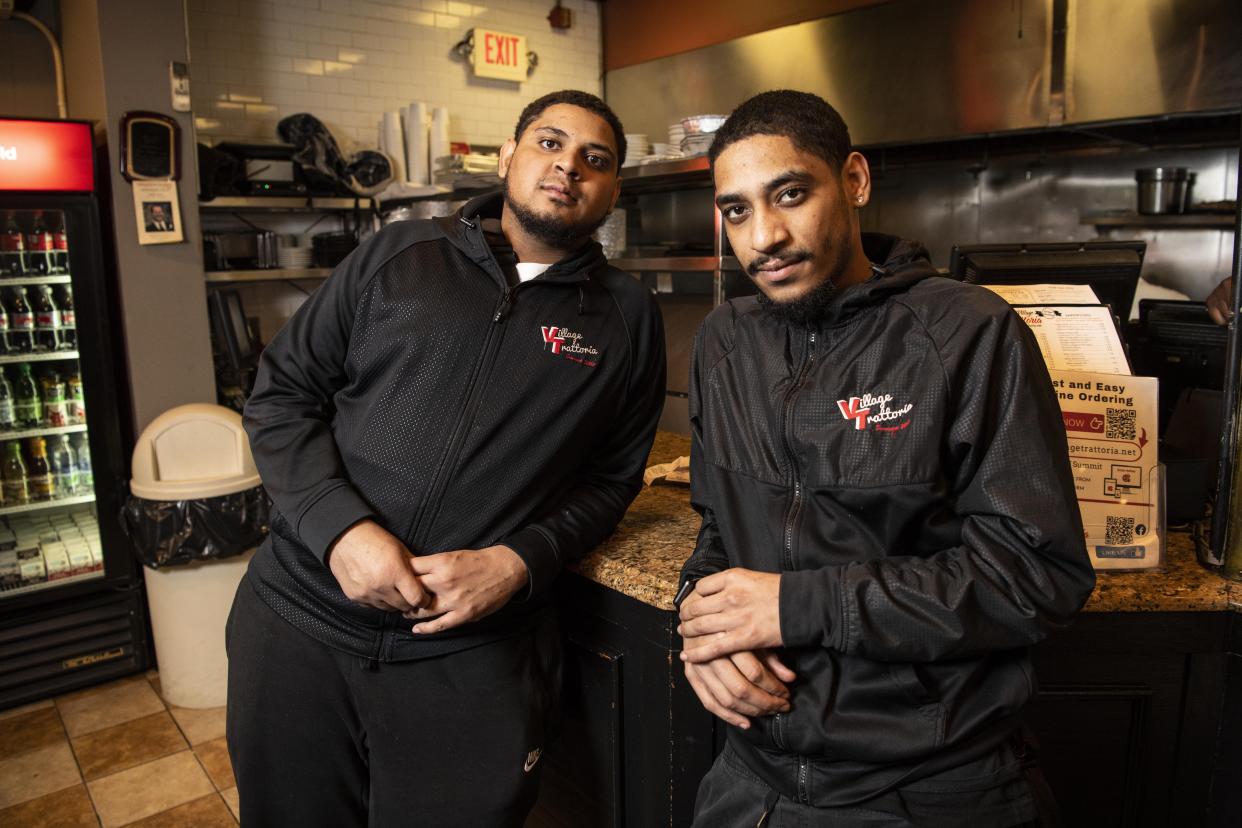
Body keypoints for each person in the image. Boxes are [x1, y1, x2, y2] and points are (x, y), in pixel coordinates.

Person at [227, 89, 665, 827]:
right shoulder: (400, 254)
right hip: (300, 624)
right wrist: (340, 531)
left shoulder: (627, 317)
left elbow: (611, 481)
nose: (569, 167)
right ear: (509, 158)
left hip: (473, 656)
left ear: (614, 189)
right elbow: (282, 395)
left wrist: (520, 562)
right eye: (550, 144)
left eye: (596, 159)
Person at [675, 90, 1095, 827]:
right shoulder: (724, 342)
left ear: (856, 182)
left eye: (791, 195)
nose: (763, 237)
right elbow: (719, 529)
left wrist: (795, 605)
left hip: (924, 783)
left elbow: (1036, 573)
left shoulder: (968, 332)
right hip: (752, 775)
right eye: (737, 210)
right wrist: (703, 629)